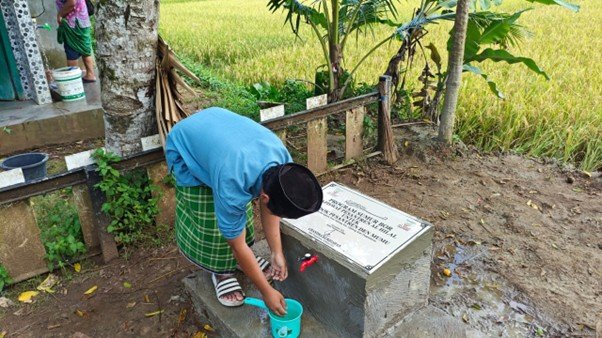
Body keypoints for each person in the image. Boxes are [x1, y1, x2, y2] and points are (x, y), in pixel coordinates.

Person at [165, 107, 323, 316]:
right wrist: (266, 292)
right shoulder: (233, 181)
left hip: (218, 135)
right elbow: (236, 244)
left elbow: (270, 206)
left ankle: (244, 263)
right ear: (264, 197)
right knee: (212, 222)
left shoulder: (283, 163)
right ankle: (220, 273)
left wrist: (277, 252)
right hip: (186, 146)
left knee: (236, 215)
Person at [55, 0, 96, 82]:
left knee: (71, 49)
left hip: (73, 22)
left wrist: (60, 14)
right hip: (82, 19)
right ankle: (90, 75)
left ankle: (74, 81)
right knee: (85, 48)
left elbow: (72, 2)